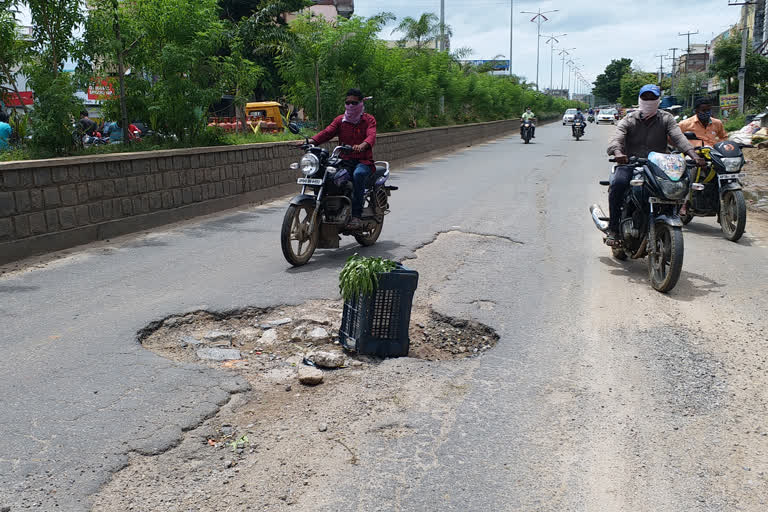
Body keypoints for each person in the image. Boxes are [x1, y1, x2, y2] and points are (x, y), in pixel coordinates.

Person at [605, 84, 705, 245]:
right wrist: (618, 153)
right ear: (640, 99)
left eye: (653, 98)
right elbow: (617, 137)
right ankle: (614, 228)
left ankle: (668, 215)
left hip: (658, 165)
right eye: (646, 97)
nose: (649, 101)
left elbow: (679, 138)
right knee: (618, 184)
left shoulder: (666, 118)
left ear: (659, 100)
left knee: (676, 185)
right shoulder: (629, 119)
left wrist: (694, 155)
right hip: (631, 163)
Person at [308, 88, 377, 230]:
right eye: (348, 102)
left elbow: (371, 135)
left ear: (361, 103)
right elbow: (327, 132)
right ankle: (325, 211)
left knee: (358, 175)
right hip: (344, 161)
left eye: (354, 103)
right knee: (328, 176)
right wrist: (311, 141)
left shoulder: (368, 120)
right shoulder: (340, 120)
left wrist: (363, 145)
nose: (351, 106)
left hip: (363, 161)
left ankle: (356, 216)